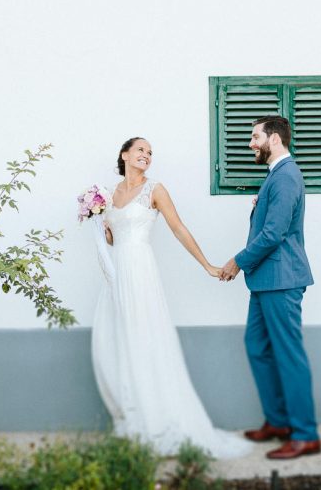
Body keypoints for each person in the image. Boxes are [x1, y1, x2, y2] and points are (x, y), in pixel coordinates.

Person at [91, 137, 251, 459]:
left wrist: (206, 264)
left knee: (143, 338)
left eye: (150, 153)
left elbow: (178, 228)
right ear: (124, 154)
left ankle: (155, 419)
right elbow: (111, 239)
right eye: (141, 150)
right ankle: (132, 416)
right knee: (116, 340)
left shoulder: (156, 190)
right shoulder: (108, 194)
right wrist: (103, 228)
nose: (146, 155)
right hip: (116, 273)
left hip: (140, 270)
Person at [219, 115, 321, 460]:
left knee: (288, 356)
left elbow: (274, 234)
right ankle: (278, 422)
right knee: (257, 347)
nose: (251, 144)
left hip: (282, 280)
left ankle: (305, 434)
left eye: (255, 137)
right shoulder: (276, 176)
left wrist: (238, 261)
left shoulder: (287, 175)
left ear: (274, 139)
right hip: (266, 280)